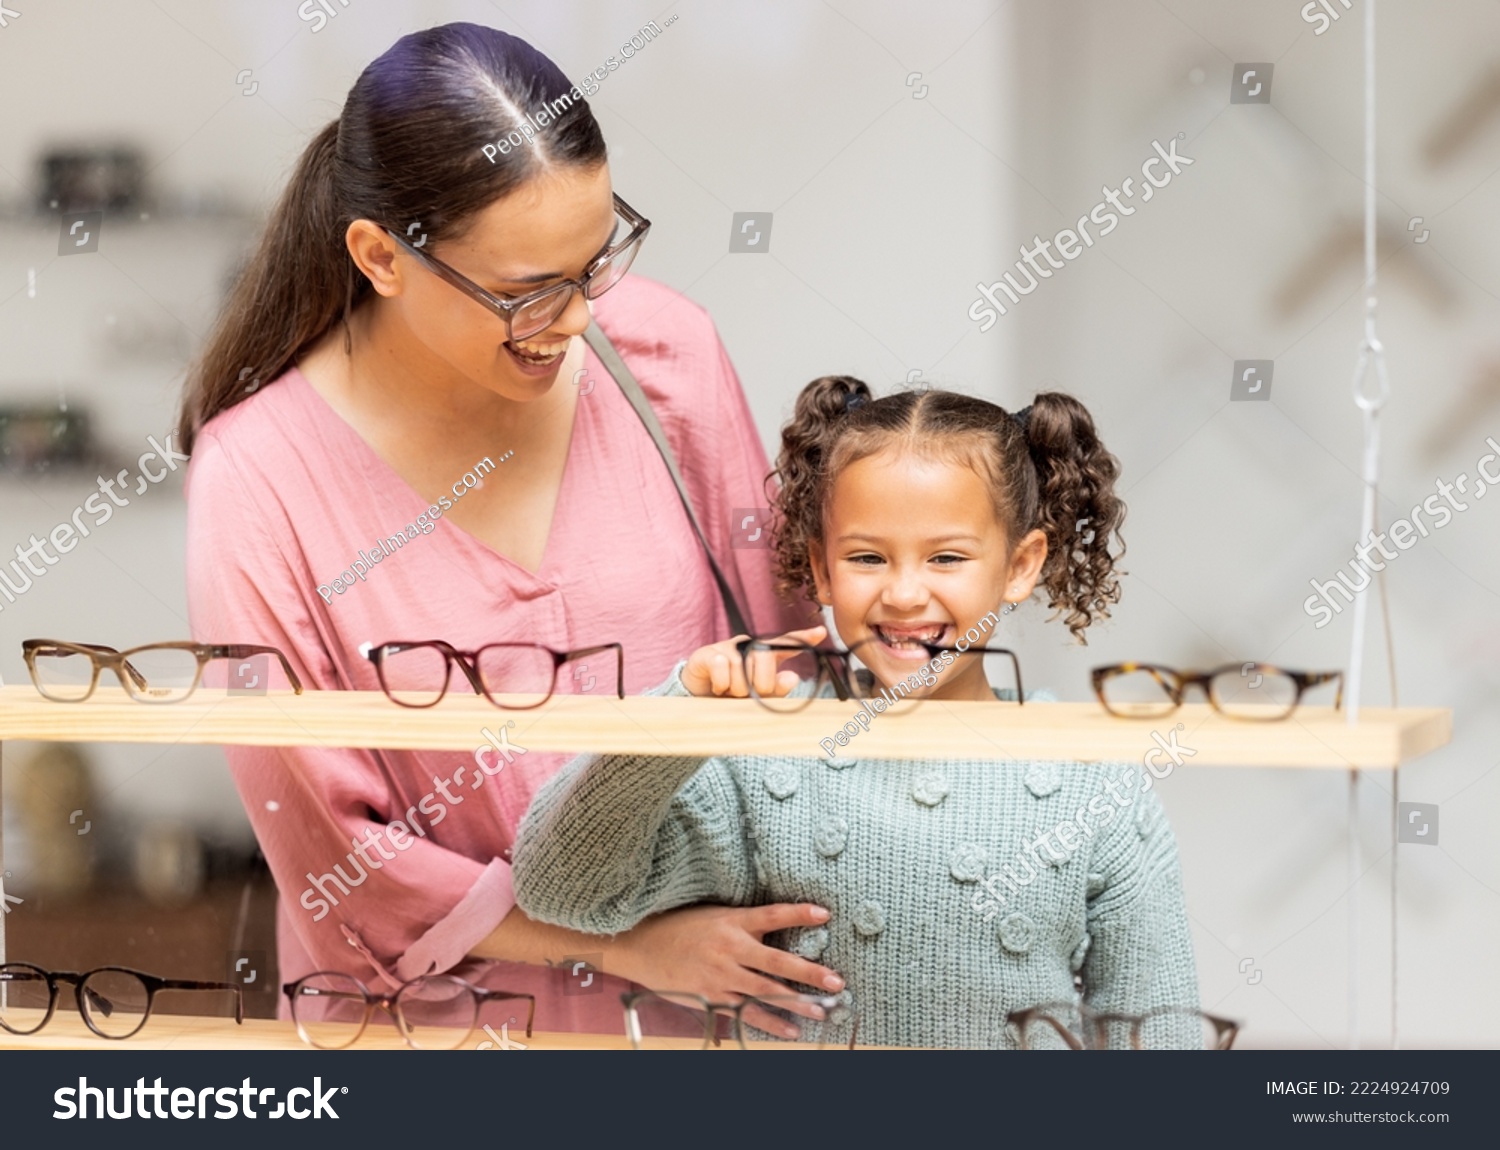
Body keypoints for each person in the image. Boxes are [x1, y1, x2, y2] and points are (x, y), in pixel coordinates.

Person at [178, 23, 831, 1034]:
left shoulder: (664, 354)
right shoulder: (259, 476)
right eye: (525, 293)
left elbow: (789, 659)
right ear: (379, 257)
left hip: (710, 1019)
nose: (574, 320)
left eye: (595, 259)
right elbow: (330, 852)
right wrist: (629, 946)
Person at [513, 377, 1202, 1048]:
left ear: (1020, 565)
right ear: (821, 568)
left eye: (947, 557)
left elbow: (1160, 1034)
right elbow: (562, 890)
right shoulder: (765, 759)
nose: (904, 594)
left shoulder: (1095, 784)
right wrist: (676, 722)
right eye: (868, 556)